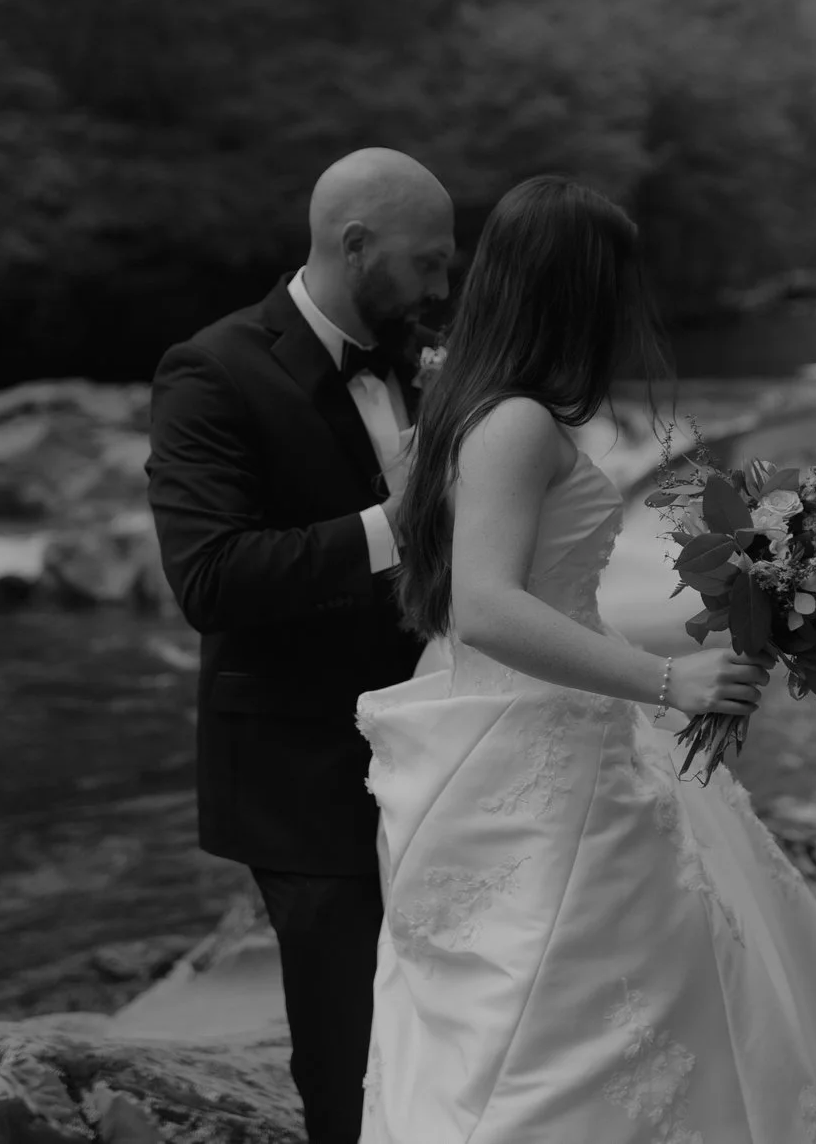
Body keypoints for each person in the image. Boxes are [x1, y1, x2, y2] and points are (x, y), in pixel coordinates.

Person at [354, 175, 816, 1142]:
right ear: (573, 288)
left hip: (529, 725)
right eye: (617, 281)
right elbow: (485, 604)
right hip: (535, 754)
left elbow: (539, 599)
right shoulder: (518, 420)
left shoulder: (473, 403)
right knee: (588, 1008)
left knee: (646, 984)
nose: (630, 306)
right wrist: (672, 678)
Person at [145, 147, 456, 1144]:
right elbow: (210, 579)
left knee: (440, 1017)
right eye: (426, 261)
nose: (442, 283)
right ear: (354, 245)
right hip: (298, 764)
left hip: (437, 744)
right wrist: (390, 525)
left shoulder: (416, 356)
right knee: (346, 1041)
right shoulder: (212, 370)